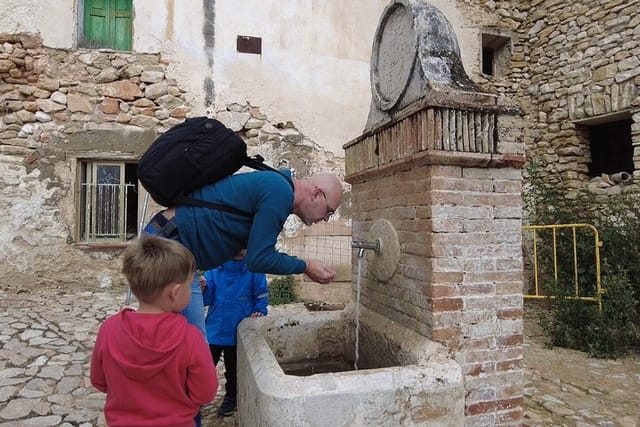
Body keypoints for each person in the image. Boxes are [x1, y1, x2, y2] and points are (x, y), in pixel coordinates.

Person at [144, 170, 343, 336]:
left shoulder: (276, 185)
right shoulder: (280, 192)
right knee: (188, 346)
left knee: (188, 347)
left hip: (176, 245)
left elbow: (248, 250)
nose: (325, 219)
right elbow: (259, 259)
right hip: (170, 243)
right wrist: (305, 266)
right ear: (316, 194)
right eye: (329, 211)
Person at [90, 234, 218, 427]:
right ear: (175, 293)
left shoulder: (109, 329)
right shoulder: (190, 338)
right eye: (190, 284)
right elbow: (205, 393)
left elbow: (99, 380)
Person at [201, 249, 269, 417]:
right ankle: (197, 397)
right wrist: (203, 288)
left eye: (244, 244)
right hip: (214, 329)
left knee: (233, 368)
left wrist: (259, 311)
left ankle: (231, 397)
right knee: (205, 367)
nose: (240, 248)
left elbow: (261, 295)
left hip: (238, 330)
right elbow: (207, 299)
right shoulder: (215, 268)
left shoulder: (254, 269)